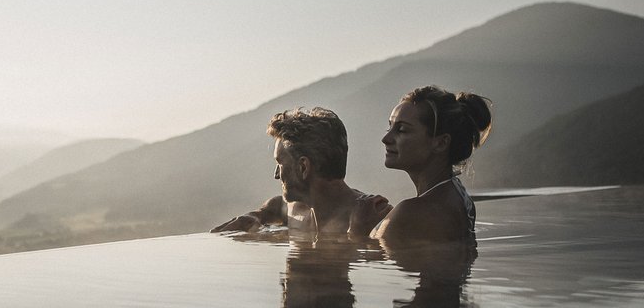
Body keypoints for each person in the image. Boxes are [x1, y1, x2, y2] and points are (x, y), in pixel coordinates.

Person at [211, 107, 392, 237]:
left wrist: (357, 237)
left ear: (303, 167)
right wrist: (257, 215)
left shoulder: (373, 215)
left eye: (280, 164)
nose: (276, 175)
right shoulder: (297, 209)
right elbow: (277, 205)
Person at [371, 85, 492, 243]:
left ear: (441, 143)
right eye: (390, 127)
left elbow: (371, 256)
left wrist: (356, 228)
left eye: (401, 130)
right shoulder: (459, 197)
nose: (386, 139)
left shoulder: (411, 212)